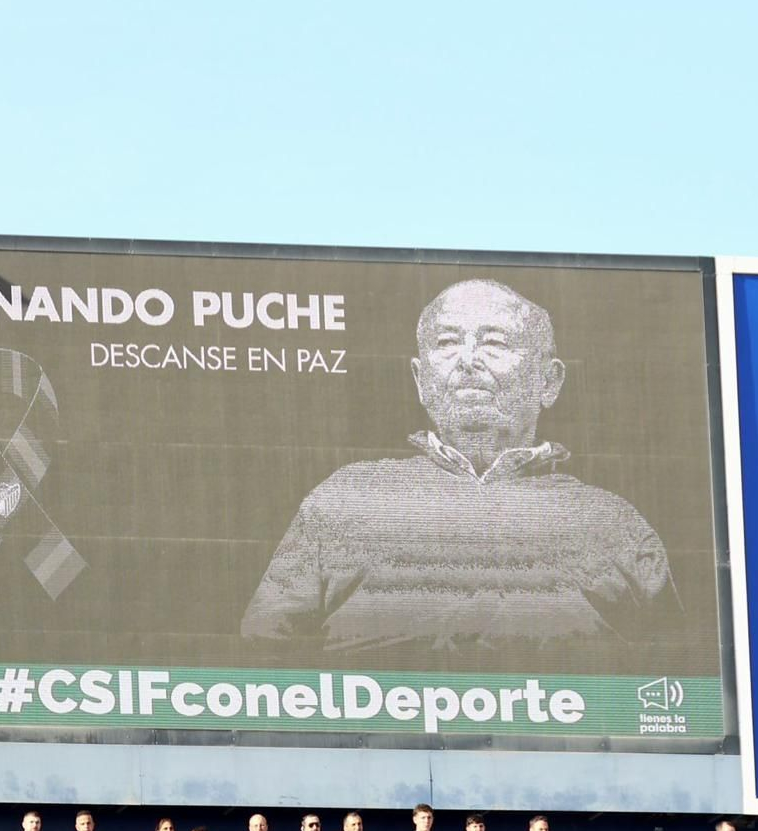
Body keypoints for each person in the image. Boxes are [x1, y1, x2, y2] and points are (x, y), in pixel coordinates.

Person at [243, 279, 680, 652]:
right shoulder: (346, 497)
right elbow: (263, 654)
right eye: (447, 342)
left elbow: (678, 676)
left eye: (494, 342)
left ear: (549, 381)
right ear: (419, 379)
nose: (467, 360)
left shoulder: (611, 520)